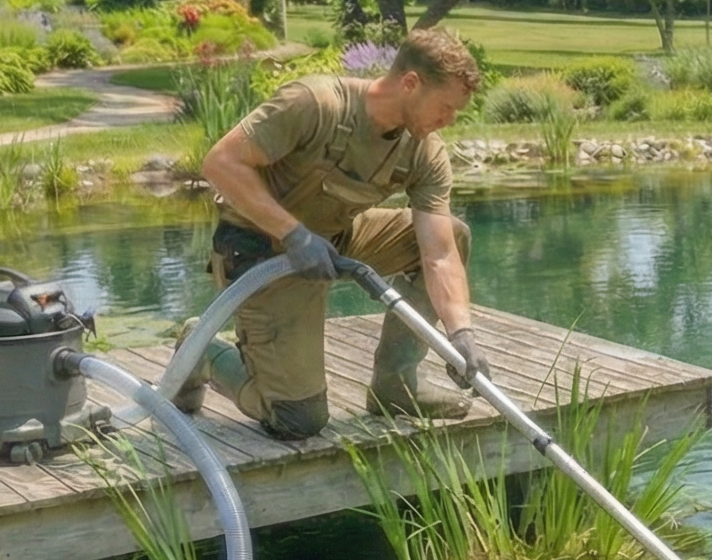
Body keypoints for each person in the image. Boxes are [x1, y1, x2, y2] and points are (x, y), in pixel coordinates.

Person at [170, 27, 492, 441]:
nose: (450, 120)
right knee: (296, 419)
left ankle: (396, 386)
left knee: (454, 233)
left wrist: (460, 332)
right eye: (445, 107)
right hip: (260, 249)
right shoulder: (316, 104)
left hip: (335, 238)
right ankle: (199, 349)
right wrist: (293, 233)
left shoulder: (423, 150)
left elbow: (440, 254)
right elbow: (221, 163)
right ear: (411, 83)